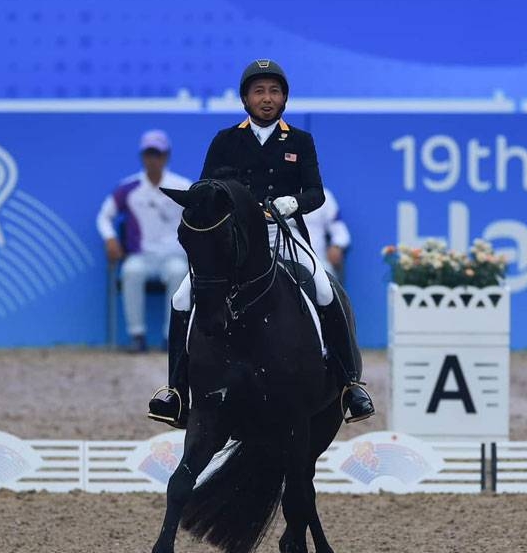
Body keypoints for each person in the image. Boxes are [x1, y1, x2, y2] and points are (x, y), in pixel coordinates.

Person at [147, 58, 374, 427]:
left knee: (324, 289)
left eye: (274, 91)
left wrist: (293, 203)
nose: (267, 99)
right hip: (234, 238)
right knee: (181, 296)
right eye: (259, 91)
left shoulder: (299, 141)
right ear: (245, 99)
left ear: (284, 98)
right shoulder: (226, 140)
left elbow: (315, 193)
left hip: (282, 232)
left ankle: (350, 384)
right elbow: (205, 190)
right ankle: (175, 391)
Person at [96, 130, 192, 352]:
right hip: (141, 256)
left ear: (166, 157)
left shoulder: (183, 186)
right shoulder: (128, 188)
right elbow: (104, 216)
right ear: (142, 157)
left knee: (179, 273)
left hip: (173, 256)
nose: (153, 159)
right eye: (149, 154)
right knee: (131, 272)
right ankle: (137, 336)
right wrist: (110, 238)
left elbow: (201, 215)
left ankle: (172, 337)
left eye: (158, 154)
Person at [302, 187, 351, 281]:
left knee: (326, 286)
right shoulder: (275, 195)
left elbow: (340, 231)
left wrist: (337, 246)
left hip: (318, 262)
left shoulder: (322, 195)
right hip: (282, 263)